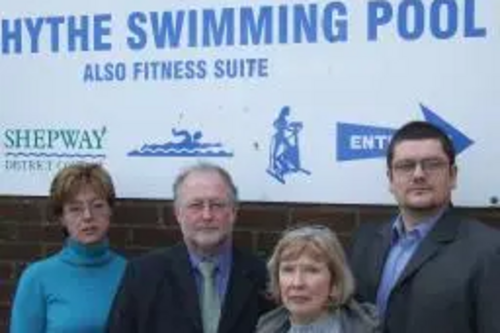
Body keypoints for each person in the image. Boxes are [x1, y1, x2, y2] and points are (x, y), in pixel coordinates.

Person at [349, 121, 500, 333]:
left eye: (432, 164)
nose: (418, 174)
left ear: (453, 175)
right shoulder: (364, 241)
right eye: (406, 166)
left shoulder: (489, 250)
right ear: (390, 179)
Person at [106, 162, 275, 333]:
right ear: (178, 213)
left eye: (217, 205)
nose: (207, 215)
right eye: (196, 205)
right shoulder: (143, 275)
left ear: (233, 212)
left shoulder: (263, 276)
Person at [10, 162, 127, 333]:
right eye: (75, 209)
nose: (88, 216)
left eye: (97, 206)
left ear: (110, 210)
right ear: (62, 218)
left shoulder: (131, 273)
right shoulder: (37, 278)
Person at [256, 225, 379, 333]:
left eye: (311, 270)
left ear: (335, 282)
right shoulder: (266, 328)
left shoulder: (367, 328)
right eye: (288, 270)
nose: (297, 283)